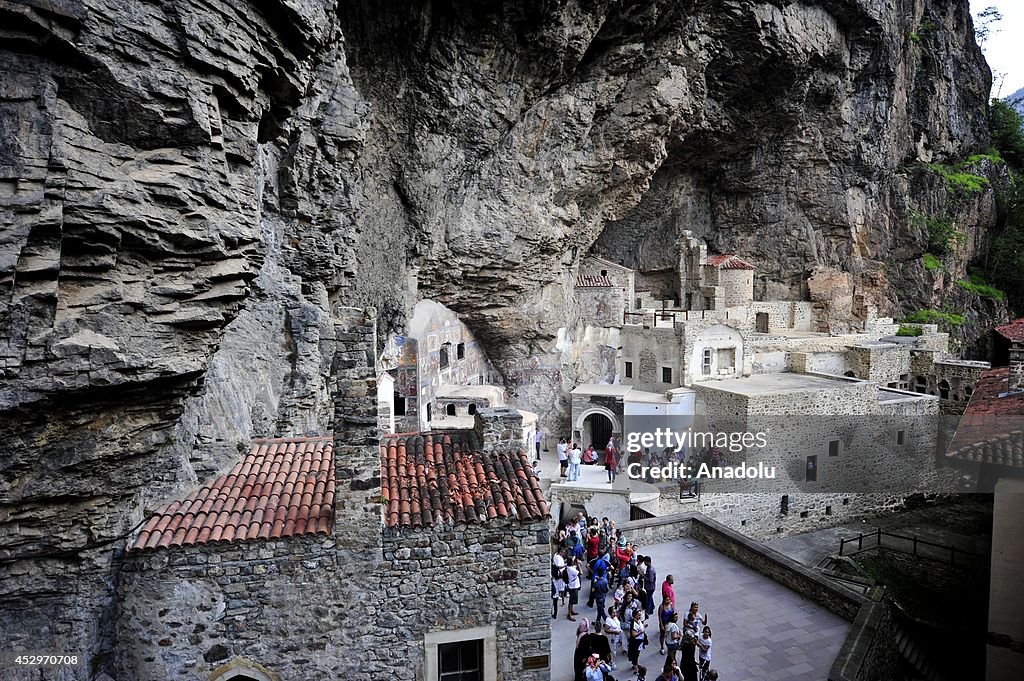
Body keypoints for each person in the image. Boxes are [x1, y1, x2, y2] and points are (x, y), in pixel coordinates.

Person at [627, 608, 647, 673]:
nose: (640, 616)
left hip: (640, 641)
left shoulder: (639, 621)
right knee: (635, 654)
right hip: (635, 642)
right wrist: (641, 632)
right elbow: (634, 634)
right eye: (638, 615)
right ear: (635, 615)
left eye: (640, 615)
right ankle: (636, 668)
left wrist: (644, 627)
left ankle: (636, 664)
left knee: (637, 654)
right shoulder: (633, 623)